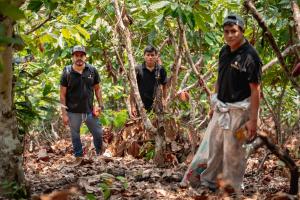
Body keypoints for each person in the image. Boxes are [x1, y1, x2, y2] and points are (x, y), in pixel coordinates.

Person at [199, 14, 262, 194]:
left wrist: (253, 120)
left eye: (234, 31)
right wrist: (214, 101)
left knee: (234, 151)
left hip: (240, 110)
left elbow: (256, 90)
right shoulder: (224, 51)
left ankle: (232, 188)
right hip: (222, 107)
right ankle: (209, 182)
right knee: (215, 147)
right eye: (226, 32)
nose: (230, 36)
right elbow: (220, 78)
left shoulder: (251, 56)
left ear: (242, 31)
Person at [60, 45, 104, 162]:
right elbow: (62, 94)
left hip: (89, 110)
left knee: (98, 133)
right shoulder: (67, 72)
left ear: (85, 57)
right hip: (73, 111)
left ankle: (99, 155)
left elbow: (97, 89)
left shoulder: (92, 70)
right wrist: (64, 113)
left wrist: (100, 105)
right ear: (72, 57)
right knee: (75, 136)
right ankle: (79, 158)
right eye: (76, 55)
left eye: (81, 55)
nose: (79, 58)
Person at [130, 45, 168, 116]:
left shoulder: (160, 69)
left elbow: (165, 85)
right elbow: (133, 89)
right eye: (148, 55)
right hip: (141, 106)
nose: (150, 57)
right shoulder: (138, 69)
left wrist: (164, 100)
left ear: (156, 56)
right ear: (144, 56)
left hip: (157, 105)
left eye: (152, 55)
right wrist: (132, 106)